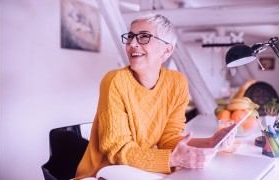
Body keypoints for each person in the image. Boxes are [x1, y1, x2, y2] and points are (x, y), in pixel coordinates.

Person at [75, 13, 236, 179]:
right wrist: (172, 159)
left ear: (166, 50)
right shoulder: (115, 81)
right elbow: (118, 150)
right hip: (103, 172)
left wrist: (209, 142)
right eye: (130, 37)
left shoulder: (177, 82)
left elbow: (168, 139)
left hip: (139, 170)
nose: (132, 44)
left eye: (144, 37)